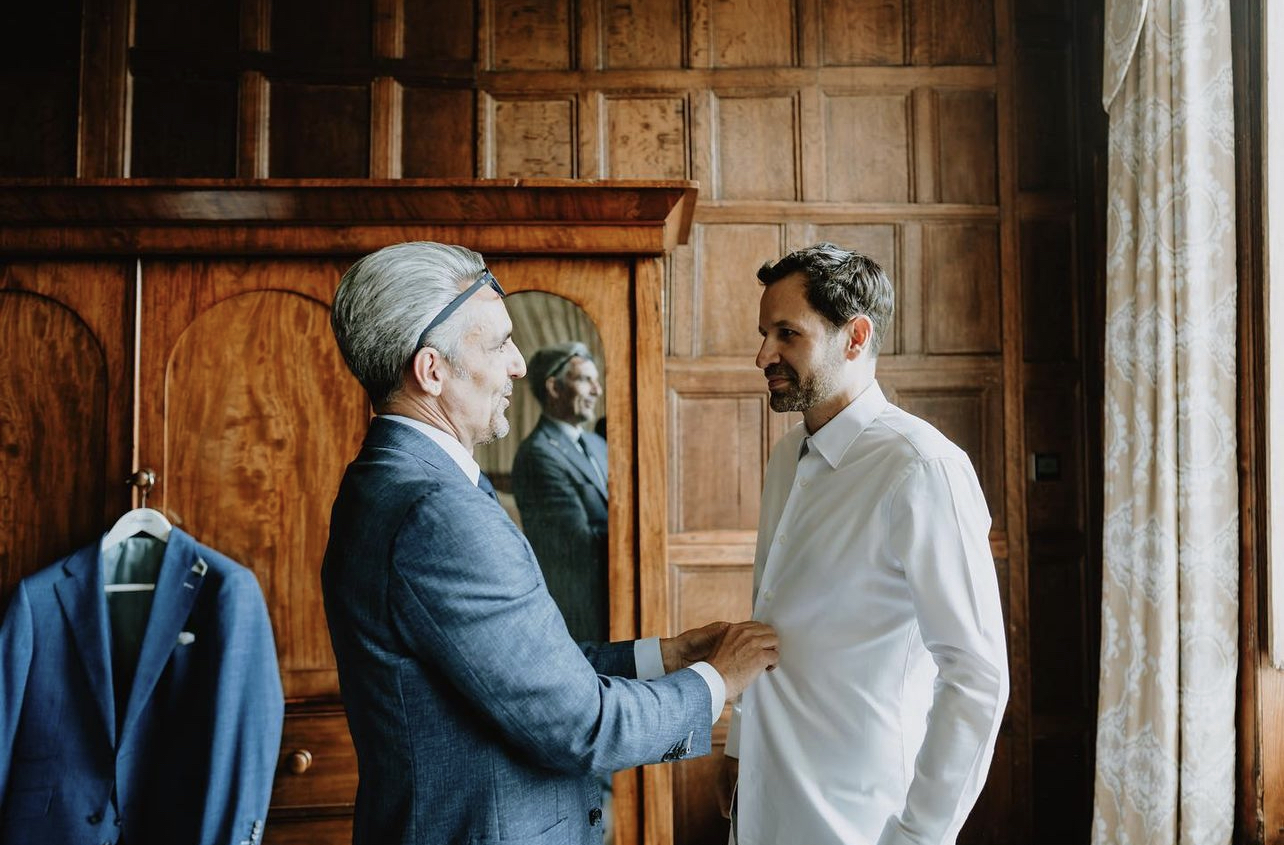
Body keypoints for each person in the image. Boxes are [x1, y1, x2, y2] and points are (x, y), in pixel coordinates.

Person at [321, 241, 779, 845]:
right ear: (431, 371)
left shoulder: (382, 480)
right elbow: (582, 726)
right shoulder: (440, 512)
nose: (518, 365)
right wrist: (717, 679)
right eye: (499, 344)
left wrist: (665, 656)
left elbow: (521, 671)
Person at [720, 243, 1008, 845]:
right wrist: (741, 749)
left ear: (855, 337)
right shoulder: (786, 458)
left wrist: (918, 837)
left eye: (786, 334)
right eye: (764, 334)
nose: (763, 355)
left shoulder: (922, 468)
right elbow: (767, 623)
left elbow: (977, 677)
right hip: (767, 803)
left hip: (862, 820)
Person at [512, 341, 609, 643]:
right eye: (585, 380)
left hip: (613, 597)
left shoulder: (597, 444)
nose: (597, 390)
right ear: (554, 387)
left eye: (596, 380)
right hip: (581, 613)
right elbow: (576, 546)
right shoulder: (538, 455)